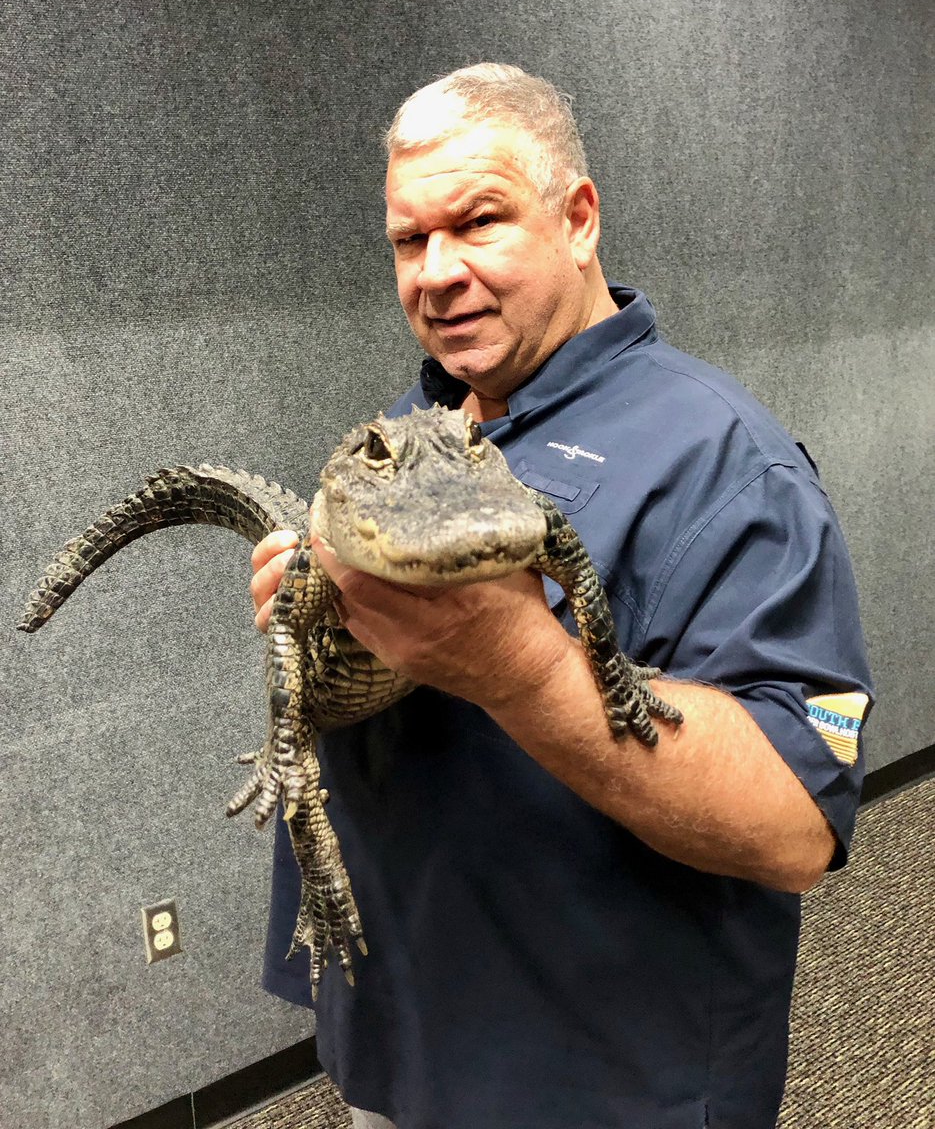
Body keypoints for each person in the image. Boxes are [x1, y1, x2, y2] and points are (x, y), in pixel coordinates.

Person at [250, 64, 873, 1129]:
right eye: (409, 240)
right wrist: (315, 608)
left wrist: (518, 664)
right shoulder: (420, 422)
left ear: (578, 220)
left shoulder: (726, 462)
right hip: (396, 1035)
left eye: (477, 222)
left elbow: (794, 827)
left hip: (595, 1082)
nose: (436, 273)